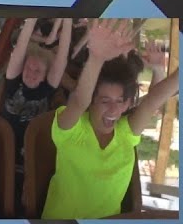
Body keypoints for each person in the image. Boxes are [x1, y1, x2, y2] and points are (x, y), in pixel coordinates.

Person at [43, 20, 181, 219]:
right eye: (105, 100)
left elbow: (152, 101)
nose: (113, 109)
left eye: (119, 101)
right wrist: (96, 58)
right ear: (93, 102)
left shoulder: (126, 132)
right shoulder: (71, 129)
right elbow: (80, 101)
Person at [1, 17, 71, 213]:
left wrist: (67, 21)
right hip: (5, 158)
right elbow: (21, 46)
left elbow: (62, 55)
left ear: (45, 75)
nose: (31, 73)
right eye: (28, 68)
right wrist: (31, 16)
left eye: (37, 70)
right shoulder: (14, 83)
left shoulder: (46, 89)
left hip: (30, 164)